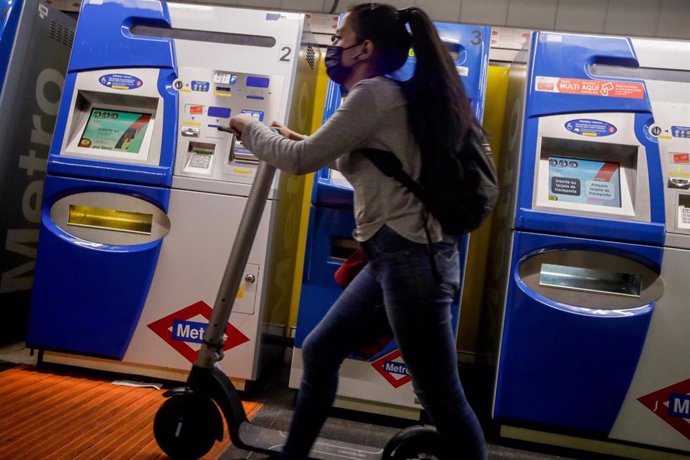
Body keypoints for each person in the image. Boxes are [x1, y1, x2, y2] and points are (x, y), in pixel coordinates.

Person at [228, 4, 488, 459]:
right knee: (322, 348)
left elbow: (299, 162)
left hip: (413, 261)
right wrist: (295, 138)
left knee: (440, 396)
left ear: (364, 48)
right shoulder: (387, 95)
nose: (332, 48)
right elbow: (372, 162)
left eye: (339, 39)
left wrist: (248, 126)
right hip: (395, 255)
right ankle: (295, 453)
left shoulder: (372, 95)